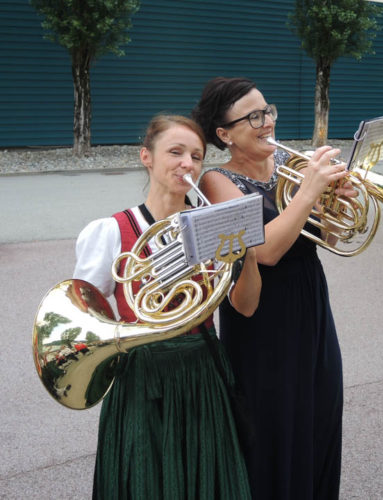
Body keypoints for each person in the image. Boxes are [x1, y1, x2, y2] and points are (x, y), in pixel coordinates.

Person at [73, 114, 261, 499]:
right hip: (143, 375)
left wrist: (249, 254)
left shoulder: (211, 225)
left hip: (203, 368)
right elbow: (84, 314)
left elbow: (246, 306)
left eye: (196, 155)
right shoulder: (111, 230)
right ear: (147, 157)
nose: (187, 164)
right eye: (175, 152)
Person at [192, 77, 357, 500]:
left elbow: (329, 239)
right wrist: (311, 190)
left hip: (310, 301)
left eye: (268, 111)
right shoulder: (216, 181)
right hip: (261, 314)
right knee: (273, 423)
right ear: (224, 134)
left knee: (321, 408)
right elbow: (263, 251)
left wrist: (336, 201)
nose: (267, 122)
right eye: (253, 117)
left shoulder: (290, 163)